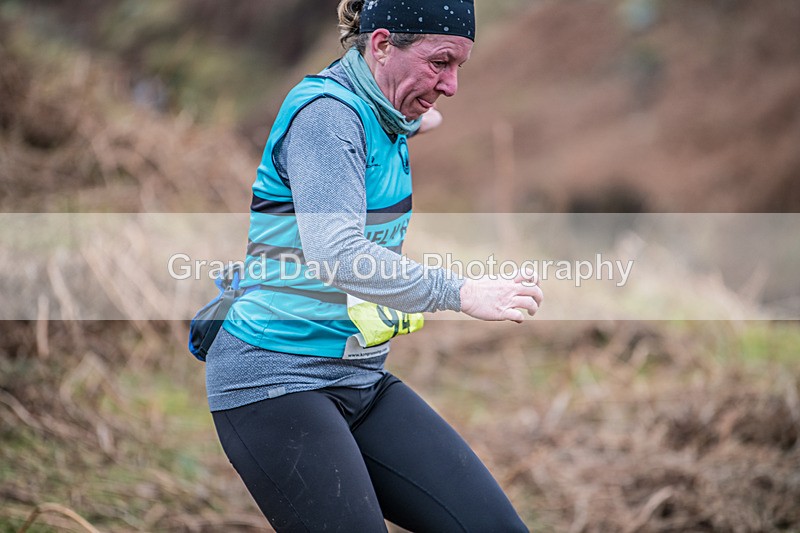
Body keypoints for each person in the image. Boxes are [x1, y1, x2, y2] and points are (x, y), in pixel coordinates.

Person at [205, 0, 543, 531]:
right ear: (382, 44)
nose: (452, 85)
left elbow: (397, 115)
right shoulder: (327, 118)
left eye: (459, 66)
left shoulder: (386, 111)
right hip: (276, 380)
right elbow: (337, 253)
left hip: (361, 378)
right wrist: (462, 293)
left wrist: (417, 115)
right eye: (440, 62)